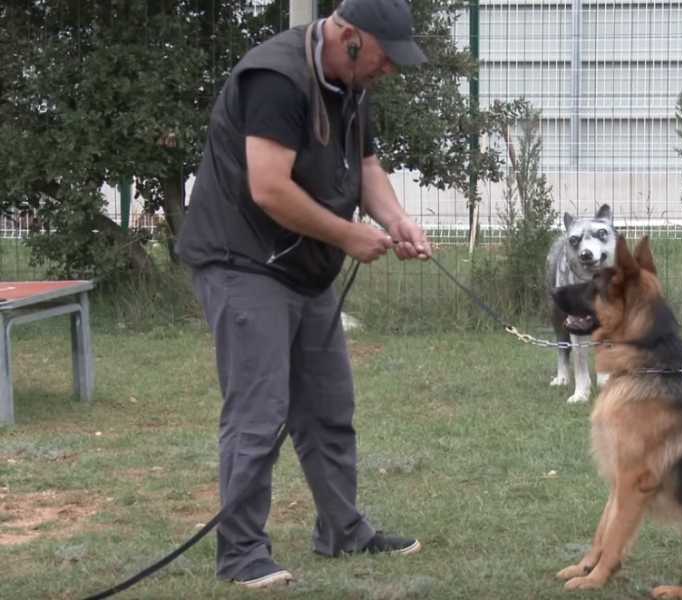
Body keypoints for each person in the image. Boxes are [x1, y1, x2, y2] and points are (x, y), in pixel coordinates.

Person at [176, 0, 432, 590]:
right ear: (349, 36)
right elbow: (269, 187)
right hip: (242, 260)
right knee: (259, 412)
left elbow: (366, 165)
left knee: (328, 406)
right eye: (384, 56)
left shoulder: (352, 83)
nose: (389, 69)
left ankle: (343, 530)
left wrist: (396, 221)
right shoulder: (276, 77)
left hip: (302, 266)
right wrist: (347, 235)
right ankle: (242, 554)